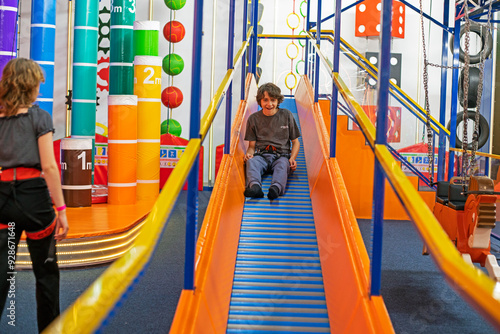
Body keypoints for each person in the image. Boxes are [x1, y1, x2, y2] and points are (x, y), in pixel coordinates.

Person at [0, 58, 69, 332]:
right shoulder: (40, 118)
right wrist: (62, 211)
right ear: (30, 86)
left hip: (3, 201)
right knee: (46, 274)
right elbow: (50, 167)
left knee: (2, 274)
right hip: (35, 202)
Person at [244, 82, 301, 200]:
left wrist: (292, 158)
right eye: (265, 100)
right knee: (251, 162)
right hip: (261, 155)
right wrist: (249, 154)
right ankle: (255, 187)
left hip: (281, 156)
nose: (269, 104)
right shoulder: (253, 119)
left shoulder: (286, 115)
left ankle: (276, 188)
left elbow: (296, 142)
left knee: (283, 166)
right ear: (260, 101)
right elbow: (251, 146)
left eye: (273, 100)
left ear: (278, 101)